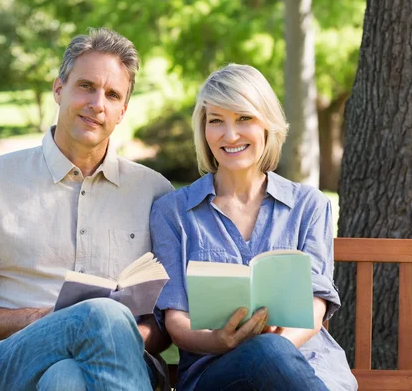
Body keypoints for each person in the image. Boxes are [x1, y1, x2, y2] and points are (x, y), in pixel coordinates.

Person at [0, 28, 174, 391]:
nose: (98, 103)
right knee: (97, 315)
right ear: (58, 89)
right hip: (14, 358)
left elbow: (163, 322)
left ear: (122, 111)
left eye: (112, 95)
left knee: (66, 378)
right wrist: (49, 320)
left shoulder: (155, 191)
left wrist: (112, 335)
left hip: (126, 359)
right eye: (86, 86)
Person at [150, 63, 358, 390]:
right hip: (215, 372)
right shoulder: (173, 212)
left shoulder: (309, 206)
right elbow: (176, 322)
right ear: (203, 130)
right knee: (265, 351)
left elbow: (316, 306)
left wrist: (277, 347)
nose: (230, 135)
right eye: (216, 121)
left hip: (307, 364)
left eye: (244, 118)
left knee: (271, 351)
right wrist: (222, 340)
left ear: (266, 125)